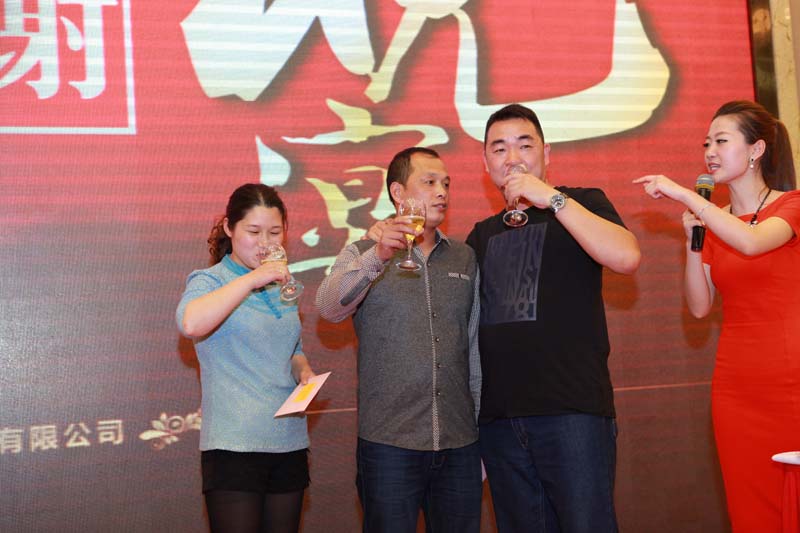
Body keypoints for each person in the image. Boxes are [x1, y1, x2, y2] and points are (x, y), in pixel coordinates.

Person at [467, 104, 641, 533]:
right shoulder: (481, 235)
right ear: (486, 163)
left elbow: (626, 256)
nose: (513, 158)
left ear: (546, 153)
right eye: (499, 149)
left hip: (573, 413)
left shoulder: (583, 202)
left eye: (524, 145)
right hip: (501, 423)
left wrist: (553, 199)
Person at [635, 99, 800, 532]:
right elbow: (699, 306)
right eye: (706, 143)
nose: (710, 152)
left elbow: (752, 242)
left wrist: (685, 194)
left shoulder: (792, 204)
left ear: (756, 149)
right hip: (737, 388)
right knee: (750, 505)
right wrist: (693, 242)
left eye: (721, 141)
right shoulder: (714, 221)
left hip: (791, 379)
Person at [316, 147, 482, 532]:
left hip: (459, 442)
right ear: (398, 192)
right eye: (429, 182)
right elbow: (328, 306)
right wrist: (378, 255)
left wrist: (479, 428)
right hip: (388, 445)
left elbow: (473, 349)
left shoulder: (464, 258)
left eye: (446, 184)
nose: (442, 192)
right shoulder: (363, 251)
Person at [176, 183, 315, 533]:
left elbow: (292, 349)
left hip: (288, 440)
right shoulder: (211, 280)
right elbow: (191, 323)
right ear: (229, 228)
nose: (265, 243)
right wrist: (253, 278)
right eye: (254, 232)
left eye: (275, 232)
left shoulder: (282, 285)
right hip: (234, 445)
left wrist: (303, 370)